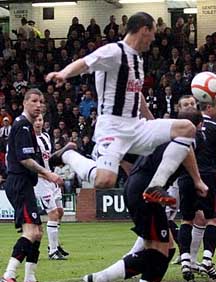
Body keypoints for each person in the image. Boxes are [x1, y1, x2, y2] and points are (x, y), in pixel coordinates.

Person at [45, 12, 206, 204]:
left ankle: (155, 187)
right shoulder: (114, 51)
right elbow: (86, 62)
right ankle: (68, 155)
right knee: (105, 181)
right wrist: (64, 73)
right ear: (144, 30)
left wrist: (153, 122)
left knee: (187, 128)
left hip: (136, 126)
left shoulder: (137, 59)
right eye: (153, 33)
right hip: (113, 127)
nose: (154, 38)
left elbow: (136, 94)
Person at [83, 108, 204, 282]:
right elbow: (187, 151)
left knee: (166, 249)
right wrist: (198, 181)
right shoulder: (190, 138)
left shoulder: (163, 135)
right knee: (158, 252)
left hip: (138, 188)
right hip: (145, 193)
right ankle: (99, 278)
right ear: (198, 126)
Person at [0, 89, 63, 282]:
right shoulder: (22, 126)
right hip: (19, 183)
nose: (39, 105)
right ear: (25, 102)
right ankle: (8, 276)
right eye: (34, 101)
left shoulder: (26, 127)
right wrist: (49, 174)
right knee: (31, 232)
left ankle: (30, 279)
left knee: (38, 233)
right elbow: (25, 160)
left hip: (25, 183)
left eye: (41, 102)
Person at [178, 98, 216, 282]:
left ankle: (185, 261)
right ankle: (207, 260)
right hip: (206, 176)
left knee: (186, 219)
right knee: (212, 219)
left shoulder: (179, 127)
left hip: (184, 177)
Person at [33, 114, 69, 260]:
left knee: (60, 212)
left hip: (50, 177)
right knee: (53, 213)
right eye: (35, 120)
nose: (38, 123)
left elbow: (48, 158)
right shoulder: (30, 140)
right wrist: (46, 175)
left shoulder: (46, 136)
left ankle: (54, 244)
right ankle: (53, 251)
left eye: (40, 120)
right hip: (41, 181)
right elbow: (32, 166)